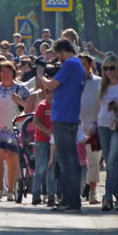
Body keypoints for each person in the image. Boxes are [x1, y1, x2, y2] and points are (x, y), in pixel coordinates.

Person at [35, 38, 85, 213]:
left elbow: (51, 85)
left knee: (66, 161)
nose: (58, 60)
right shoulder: (77, 64)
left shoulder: (70, 64)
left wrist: (40, 74)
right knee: (71, 159)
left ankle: (70, 201)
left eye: (58, 56)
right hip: (70, 115)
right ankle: (72, 199)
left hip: (63, 116)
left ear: (63, 50)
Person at [0, 61, 30, 201]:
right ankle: (0, 188)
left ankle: (10, 189)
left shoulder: (21, 88)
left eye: (8, 71)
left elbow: (31, 107)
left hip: (14, 128)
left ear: (14, 72)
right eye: (2, 71)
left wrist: (19, 101)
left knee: (12, 158)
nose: (5, 74)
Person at [96, 55, 118, 211]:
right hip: (103, 125)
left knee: (111, 162)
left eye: (111, 68)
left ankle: (107, 197)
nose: (108, 72)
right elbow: (99, 107)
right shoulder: (102, 85)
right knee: (109, 163)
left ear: (117, 68)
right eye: (105, 68)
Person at [78, 53, 102, 205]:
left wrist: (97, 123)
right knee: (77, 162)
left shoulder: (98, 82)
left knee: (94, 161)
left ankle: (93, 192)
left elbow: (101, 103)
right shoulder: (72, 82)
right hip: (76, 127)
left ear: (90, 65)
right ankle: (76, 191)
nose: (81, 67)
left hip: (93, 127)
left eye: (84, 64)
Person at [32, 85, 56, 206]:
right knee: (40, 168)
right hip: (42, 140)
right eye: (49, 92)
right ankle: (36, 195)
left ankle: (51, 196)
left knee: (51, 170)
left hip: (53, 142)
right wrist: (46, 131)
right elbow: (35, 121)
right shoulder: (42, 106)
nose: (51, 94)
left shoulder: (58, 105)